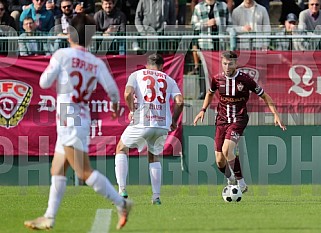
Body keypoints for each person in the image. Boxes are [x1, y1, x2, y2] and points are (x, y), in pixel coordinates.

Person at [24, 13, 133, 230]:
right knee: (57, 169)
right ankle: (49, 217)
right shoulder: (95, 62)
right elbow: (112, 89)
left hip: (69, 119)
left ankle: (122, 203)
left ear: (70, 33)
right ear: (91, 38)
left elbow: (44, 82)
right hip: (80, 118)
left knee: (83, 172)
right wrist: (113, 105)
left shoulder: (62, 54)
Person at [193, 51, 286, 193]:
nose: (227, 66)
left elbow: (265, 96)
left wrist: (276, 115)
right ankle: (230, 178)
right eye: (224, 63)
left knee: (226, 150)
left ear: (236, 64)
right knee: (219, 160)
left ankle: (241, 183)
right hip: (221, 120)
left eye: (230, 64)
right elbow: (210, 93)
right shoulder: (217, 79)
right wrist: (203, 110)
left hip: (239, 119)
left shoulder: (245, 80)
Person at [115, 53, 184, 205]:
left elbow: (127, 93)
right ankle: (156, 197)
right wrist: (173, 120)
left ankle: (122, 190)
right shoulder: (169, 79)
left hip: (142, 121)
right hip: (161, 124)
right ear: (162, 67)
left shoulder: (136, 74)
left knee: (121, 148)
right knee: (154, 156)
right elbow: (180, 102)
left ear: (147, 65)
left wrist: (132, 110)